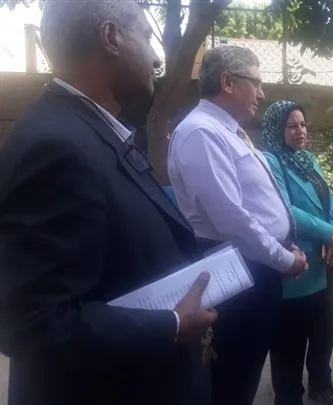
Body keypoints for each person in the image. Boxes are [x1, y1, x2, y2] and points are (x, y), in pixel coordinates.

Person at [0, 1, 217, 404]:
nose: (156, 58)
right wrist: (171, 324)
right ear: (111, 38)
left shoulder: (89, 133)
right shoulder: (56, 147)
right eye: (148, 38)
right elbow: (32, 323)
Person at [168, 46, 307, 405]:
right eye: (255, 82)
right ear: (227, 82)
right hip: (236, 269)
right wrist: (284, 259)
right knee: (232, 379)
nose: (262, 92)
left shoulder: (226, 131)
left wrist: (284, 248)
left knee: (245, 372)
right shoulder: (201, 133)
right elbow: (231, 219)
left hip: (256, 265)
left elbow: (255, 206)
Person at [261, 100, 333, 405]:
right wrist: (326, 233)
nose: (300, 131)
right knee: (290, 340)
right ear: (276, 129)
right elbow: (283, 209)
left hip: (324, 262)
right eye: (291, 125)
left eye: (302, 124)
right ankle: (288, 395)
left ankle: (321, 384)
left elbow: (329, 200)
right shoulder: (269, 161)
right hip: (296, 263)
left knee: (325, 329)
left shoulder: (308, 159)